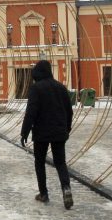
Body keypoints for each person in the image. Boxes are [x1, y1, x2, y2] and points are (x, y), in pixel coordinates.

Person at [20, 59, 75, 209]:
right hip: (59, 131)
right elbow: (69, 111)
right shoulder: (61, 88)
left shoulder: (36, 89)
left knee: (39, 162)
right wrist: (67, 128)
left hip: (41, 133)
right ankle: (66, 188)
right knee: (60, 162)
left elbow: (31, 112)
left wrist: (24, 132)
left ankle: (43, 193)